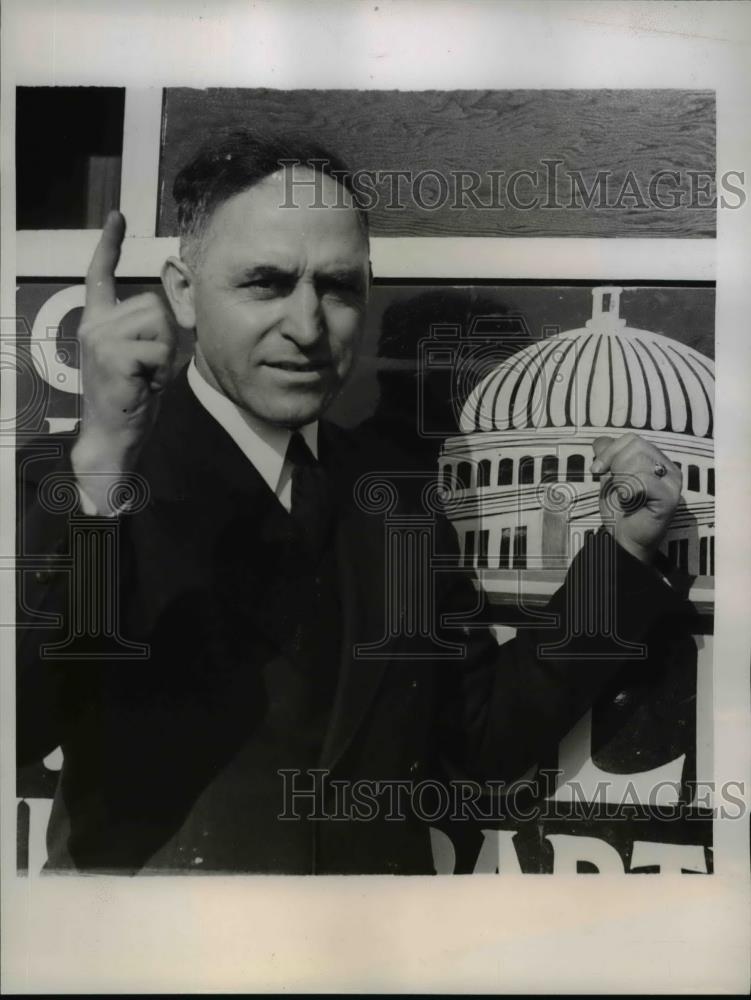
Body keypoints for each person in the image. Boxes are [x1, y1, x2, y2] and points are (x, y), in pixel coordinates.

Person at [16, 131, 685, 875]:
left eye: (336, 288)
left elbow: (477, 740)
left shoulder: (391, 495)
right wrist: (104, 459)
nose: (306, 329)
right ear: (182, 291)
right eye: (265, 283)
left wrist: (621, 557)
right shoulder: (75, 478)